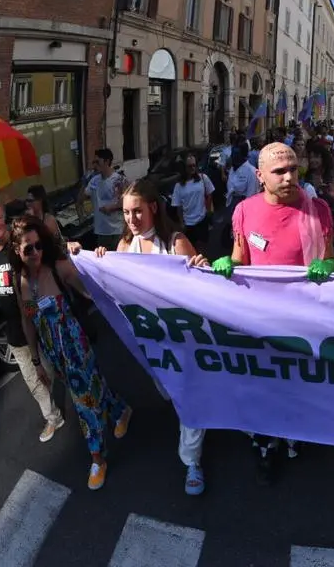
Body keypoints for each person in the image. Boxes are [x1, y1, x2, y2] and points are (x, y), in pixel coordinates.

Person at [210, 142, 334, 484]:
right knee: (262, 381)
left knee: (295, 381)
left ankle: (293, 431)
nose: (288, 177)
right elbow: (240, 258)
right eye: (279, 171)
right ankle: (265, 440)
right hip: (258, 319)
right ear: (260, 176)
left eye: (294, 169)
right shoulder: (244, 211)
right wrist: (227, 265)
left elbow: (331, 258)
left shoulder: (319, 209)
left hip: (302, 319)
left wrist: (325, 265)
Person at [96, 180, 209, 494]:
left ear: (153, 208)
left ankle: (192, 462)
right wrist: (96, 260)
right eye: (126, 213)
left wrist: (205, 269)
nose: (131, 219)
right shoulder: (123, 247)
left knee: (188, 399)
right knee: (169, 391)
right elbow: (110, 289)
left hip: (182, 340)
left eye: (137, 211)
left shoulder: (176, 242)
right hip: (150, 342)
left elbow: (203, 291)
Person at [11, 215, 132, 490]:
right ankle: (121, 410)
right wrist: (35, 361)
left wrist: (91, 257)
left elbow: (91, 290)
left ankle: (98, 458)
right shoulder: (21, 282)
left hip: (77, 348)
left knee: (84, 403)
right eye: (28, 248)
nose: (36, 253)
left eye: (39, 245)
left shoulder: (57, 268)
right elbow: (27, 321)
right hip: (55, 356)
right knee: (95, 387)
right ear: (17, 251)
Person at [0, 197, 64, 443]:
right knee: (34, 380)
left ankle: (77, 396)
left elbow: (42, 262)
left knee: (54, 369)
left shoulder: (17, 246)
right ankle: (53, 416)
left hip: (40, 324)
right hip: (15, 333)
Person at [80, 148, 127, 250]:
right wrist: (84, 182)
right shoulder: (94, 181)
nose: (95, 166)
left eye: (97, 162)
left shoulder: (119, 180)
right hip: (101, 231)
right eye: (93, 162)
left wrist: (111, 207)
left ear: (107, 161)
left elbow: (126, 201)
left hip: (117, 230)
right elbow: (81, 199)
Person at [172, 153, 215, 253]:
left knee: (201, 250)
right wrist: (181, 223)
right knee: (190, 252)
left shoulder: (203, 178)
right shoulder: (179, 186)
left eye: (194, 165)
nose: (192, 168)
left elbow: (209, 194)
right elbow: (178, 207)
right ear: (184, 168)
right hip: (188, 225)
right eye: (189, 166)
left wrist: (208, 211)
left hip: (202, 220)